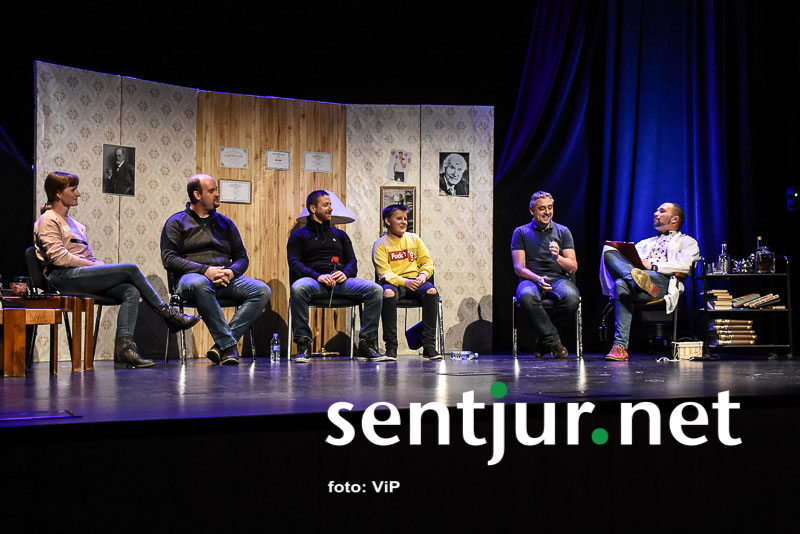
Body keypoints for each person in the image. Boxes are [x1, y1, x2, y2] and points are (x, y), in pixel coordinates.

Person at [34, 171, 200, 369]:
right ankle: (168, 314)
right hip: (60, 277)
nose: (78, 193)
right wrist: (95, 266)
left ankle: (124, 348)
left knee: (130, 291)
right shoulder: (48, 219)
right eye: (73, 189)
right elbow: (59, 258)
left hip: (79, 276)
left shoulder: (78, 226)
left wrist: (98, 264)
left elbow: (87, 257)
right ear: (58, 193)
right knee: (130, 269)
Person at [161, 174, 271, 365]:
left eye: (216, 190)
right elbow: (169, 259)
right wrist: (205, 270)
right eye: (212, 191)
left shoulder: (225, 224)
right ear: (197, 195)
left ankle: (222, 346)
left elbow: (242, 258)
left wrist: (231, 272)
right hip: (190, 280)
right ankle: (228, 346)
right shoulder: (177, 222)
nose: (217, 194)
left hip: (225, 278)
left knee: (261, 290)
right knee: (200, 283)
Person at [287, 190, 387, 363]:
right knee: (298, 288)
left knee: (376, 290)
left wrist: (345, 273)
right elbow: (294, 263)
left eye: (330, 205)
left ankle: (366, 344)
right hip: (314, 281)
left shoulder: (340, 235)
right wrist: (317, 276)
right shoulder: (298, 236)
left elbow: (352, 261)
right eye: (326, 205)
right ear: (313, 208)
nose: (331, 208)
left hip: (341, 281)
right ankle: (303, 344)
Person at [600, 202, 700, 361]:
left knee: (622, 283)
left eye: (661, 211)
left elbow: (685, 265)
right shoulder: (644, 243)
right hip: (640, 286)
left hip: (662, 283)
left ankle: (619, 346)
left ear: (674, 219)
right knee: (609, 251)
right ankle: (634, 280)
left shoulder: (687, 242)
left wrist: (653, 266)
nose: (655, 213)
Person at [511, 191, 580, 358]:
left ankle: (544, 341)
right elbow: (519, 267)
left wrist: (557, 257)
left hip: (558, 279)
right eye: (542, 208)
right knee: (526, 296)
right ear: (532, 211)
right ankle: (554, 341)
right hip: (531, 279)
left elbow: (573, 267)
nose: (547, 212)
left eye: (550, 208)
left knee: (572, 298)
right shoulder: (521, 232)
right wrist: (537, 278)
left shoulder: (563, 231)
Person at [372, 204, 442, 360]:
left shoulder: (414, 239)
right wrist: (405, 282)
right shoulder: (380, 244)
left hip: (416, 280)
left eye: (405, 219)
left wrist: (422, 276)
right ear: (388, 221)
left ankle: (429, 346)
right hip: (394, 283)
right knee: (388, 293)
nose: (404, 222)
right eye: (399, 218)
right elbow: (384, 273)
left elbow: (427, 262)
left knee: (431, 291)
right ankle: (391, 347)